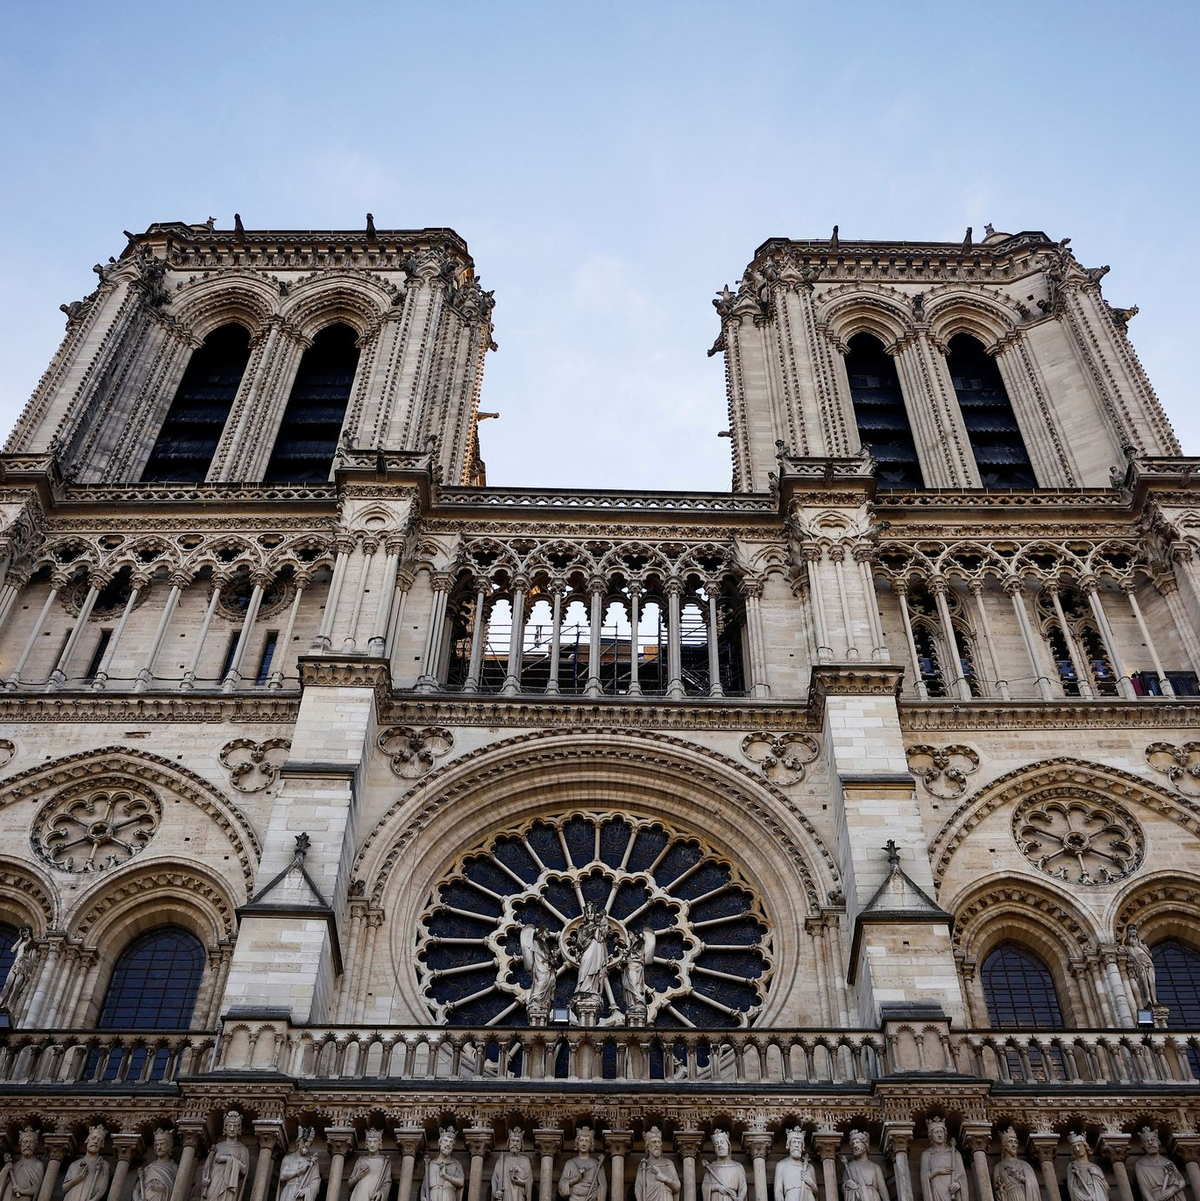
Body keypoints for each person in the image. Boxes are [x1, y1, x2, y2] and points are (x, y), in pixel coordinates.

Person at [201, 1112, 250, 1201]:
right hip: (214, 1182)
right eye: (229, 1126)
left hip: (230, 1187)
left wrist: (229, 1159)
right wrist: (204, 1179)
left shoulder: (243, 1149)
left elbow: (244, 1170)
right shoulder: (217, 1147)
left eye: (235, 1126)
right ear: (225, 1127)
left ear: (239, 1128)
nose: (232, 1129)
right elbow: (207, 1166)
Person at [919, 1119, 966, 1201]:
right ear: (931, 1135)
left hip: (952, 1191)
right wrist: (936, 1171)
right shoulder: (927, 1154)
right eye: (936, 1132)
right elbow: (923, 1177)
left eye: (941, 1132)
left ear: (945, 1134)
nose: (939, 1135)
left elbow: (962, 1175)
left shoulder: (954, 1153)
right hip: (936, 1191)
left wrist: (959, 1184)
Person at [1133, 1130, 1186, 1201]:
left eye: (1153, 1140)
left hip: (1173, 1196)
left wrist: (1172, 1190)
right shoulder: (1140, 1164)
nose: (1150, 1143)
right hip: (1156, 1197)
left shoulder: (1168, 1162)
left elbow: (1181, 1181)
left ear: (1158, 1142)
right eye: (1146, 1141)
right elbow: (1144, 1189)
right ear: (1143, 1145)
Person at [559, 1127, 607, 1201]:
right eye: (581, 1140)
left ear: (591, 1144)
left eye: (587, 1141)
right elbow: (561, 1186)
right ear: (577, 1143)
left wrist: (596, 1195)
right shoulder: (570, 1163)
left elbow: (603, 1186)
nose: (584, 1144)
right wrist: (575, 1179)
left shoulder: (596, 1164)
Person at [61, 1127, 109, 1201]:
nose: (96, 1142)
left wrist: (94, 1199)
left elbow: (102, 1188)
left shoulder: (104, 1165)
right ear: (87, 1140)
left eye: (100, 1140)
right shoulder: (74, 1165)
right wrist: (77, 1179)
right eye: (93, 1138)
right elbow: (64, 1188)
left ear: (102, 1145)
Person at [573, 906, 611, 1000]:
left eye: (591, 912)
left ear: (594, 915)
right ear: (585, 915)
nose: (590, 914)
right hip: (585, 951)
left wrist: (604, 918)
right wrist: (578, 948)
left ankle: (591, 989)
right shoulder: (581, 930)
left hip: (595, 948)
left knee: (594, 968)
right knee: (584, 969)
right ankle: (582, 988)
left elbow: (603, 934)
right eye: (588, 913)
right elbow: (579, 942)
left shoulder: (598, 926)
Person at [992, 1129, 1039, 1201]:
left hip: (1025, 1195)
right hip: (1009, 1196)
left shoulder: (1025, 1165)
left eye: (1016, 1142)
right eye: (1010, 1142)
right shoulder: (998, 1167)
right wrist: (1001, 1190)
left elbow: (1034, 1183)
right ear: (1004, 1145)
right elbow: (997, 1190)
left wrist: (1019, 1177)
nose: (1014, 1145)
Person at [635, 1127, 680, 1201]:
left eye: (659, 1142)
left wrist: (665, 1179)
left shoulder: (668, 1164)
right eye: (654, 1142)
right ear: (648, 1147)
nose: (657, 1145)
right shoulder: (643, 1166)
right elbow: (638, 1188)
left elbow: (677, 1187)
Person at [842, 1131, 888, 1201]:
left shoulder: (875, 1167)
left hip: (873, 1197)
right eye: (853, 1144)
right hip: (857, 1197)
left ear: (865, 1145)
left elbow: (883, 1190)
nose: (855, 1146)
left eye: (857, 1142)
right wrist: (848, 1185)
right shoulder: (850, 1167)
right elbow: (844, 1187)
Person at [0, 1129, 44, 1201]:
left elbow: (37, 1188)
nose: (28, 1145)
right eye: (25, 1142)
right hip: (8, 1197)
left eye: (31, 1142)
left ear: (35, 1146)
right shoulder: (14, 1165)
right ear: (20, 1145)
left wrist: (22, 1190)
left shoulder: (38, 1165)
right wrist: (5, 1169)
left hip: (23, 1198)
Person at [0, 927, 35, 1017]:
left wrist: (28, 973)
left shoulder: (32, 945)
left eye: (26, 931)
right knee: (8, 984)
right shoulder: (21, 943)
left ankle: (9, 1006)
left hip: (23, 968)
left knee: (16, 986)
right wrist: (19, 939)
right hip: (15, 965)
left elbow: (32, 960)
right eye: (22, 932)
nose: (24, 933)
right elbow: (12, 950)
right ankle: (1, 1003)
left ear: (29, 932)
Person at [133, 1130, 178, 1201]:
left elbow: (179, 1191)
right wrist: (138, 1199)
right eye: (157, 1145)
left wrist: (164, 1189)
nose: (159, 1148)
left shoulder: (174, 1167)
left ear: (170, 1146)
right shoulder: (149, 1168)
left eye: (162, 1144)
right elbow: (136, 1190)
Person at [277, 1129, 320, 1201]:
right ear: (298, 1142)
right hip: (288, 1192)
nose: (306, 1145)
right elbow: (282, 1176)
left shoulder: (313, 1162)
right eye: (304, 1142)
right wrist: (299, 1171)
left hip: (301, 1193)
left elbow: (316, 1182)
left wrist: (305, 1191)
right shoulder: (288, 1158)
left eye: (309, 1144)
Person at [701, 1131, 746, 1201]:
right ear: (714, 1149)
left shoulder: (738, 1167)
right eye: (716, 1143)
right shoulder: (711, 1168)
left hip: (731, 1198)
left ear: (728, 1145)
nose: (719, 1145)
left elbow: (743, 1186)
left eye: (722, 1142)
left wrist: (740, 1197)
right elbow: (705, 1186)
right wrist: (717, 1187)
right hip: (716, 1198)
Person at [774, 1129, 816, 1201]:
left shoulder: (809, 1167)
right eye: (794, 1142)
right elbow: (778, 1191)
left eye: (799, 1143)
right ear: (789, 1145)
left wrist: (809, 1181)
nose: (797, 1145)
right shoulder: (781, 1165)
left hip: (809, 1197)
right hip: (792, 1196)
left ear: (802, 1146)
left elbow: (816, 1192)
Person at [491, 1129, 533, 1201]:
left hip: (519, 1196)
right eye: (513, 1140)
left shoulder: (525, 1161)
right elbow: (495, 1178)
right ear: (509, 1142)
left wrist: (520, 1182)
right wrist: (495, 1192)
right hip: (505, 1195)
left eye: (517, 1141)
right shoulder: (502, 1160)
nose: (515, 1144)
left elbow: (529, 1181)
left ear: (521, 1144)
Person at [420, 1129, 462, 1201]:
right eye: (445, 1141)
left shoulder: (456, 1164)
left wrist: (446, 1176)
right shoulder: (431, 1164)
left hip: (448, 1195)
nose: (448, 1144)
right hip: (433, 1195)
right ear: (439, 1143)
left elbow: (461, 1182)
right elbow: (425, 1185)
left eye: (451, 1142)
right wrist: (423, 1197)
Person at [351, 1130, 393, 1201]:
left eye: (375, 1141)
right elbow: (350, 1184)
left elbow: (387, 1183)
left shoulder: (385, 1161)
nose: (372, 1144)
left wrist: (381, 1192)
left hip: (373, 1196)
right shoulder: (361, 1160)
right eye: (370, 1142)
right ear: (366, 1144)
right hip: (359, 1196)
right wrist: (358, 1176)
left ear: (380, 1143)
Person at [1066, 1135, 1108, 1201]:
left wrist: (1097, 1174)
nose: (1077, 1149)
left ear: (1085, 1146)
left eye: (1079, 1145)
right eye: (1074, 1147)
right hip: (1082, 1196)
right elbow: (1072, 1186)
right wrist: (1083, 1197)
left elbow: (1106, 1186)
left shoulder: (1095, 1167)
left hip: (1097, 1195)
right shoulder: (1072, 1166)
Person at [1124, 926, 1157, 1010]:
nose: (1134, 931)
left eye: (1134, 929)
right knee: (1144, 981)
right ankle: (1147, 999)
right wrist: (1137, 962)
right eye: (1131, 930)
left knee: (1152, 982)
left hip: (1147, 961)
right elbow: (1131, 953)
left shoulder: (1140, 942)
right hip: (1139, 963)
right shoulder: (1128, 942)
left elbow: (1149, 954)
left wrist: (1141, 945)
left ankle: (1154, 1000)